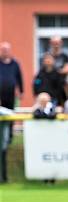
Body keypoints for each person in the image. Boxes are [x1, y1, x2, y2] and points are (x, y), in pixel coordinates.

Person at [0, 42, 23, 182]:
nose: (4, 52)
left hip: (10, 95)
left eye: (6, 50)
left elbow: (19, 78)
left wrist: (21, 91)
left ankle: (8, 138)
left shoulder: (15, 64)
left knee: (9, 117)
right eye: (2, 50)